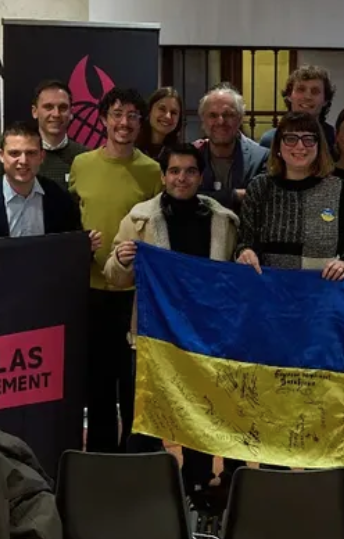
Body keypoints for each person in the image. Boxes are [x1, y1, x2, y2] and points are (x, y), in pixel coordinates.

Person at [103, 143, 239, 498]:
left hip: (203, 338)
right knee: (145, 418)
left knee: (199, 415)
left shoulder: (222, 222)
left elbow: (232, 279)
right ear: (163, 176)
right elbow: (114, 277)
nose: (182, 178)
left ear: (201, 176)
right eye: (174, 171)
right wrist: (122, 259)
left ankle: (197, 484)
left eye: (190, 171)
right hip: (154, 336)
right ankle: (142, 489)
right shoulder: (139, 219)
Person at [69, 87, 163, 452]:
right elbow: (71, 219)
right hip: (91, 290)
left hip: (135, 295)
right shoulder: (81, 165)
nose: (124, 123)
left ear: (141, 123)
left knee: (134, 382)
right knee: (99, 384)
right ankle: (101, 456)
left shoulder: (151, 170)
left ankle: (134, 457)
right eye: (117, 114)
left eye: (132, 116)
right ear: (103, 119)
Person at [235, 110, 344, 277]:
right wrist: (245, 252)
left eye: (309, 139)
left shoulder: (338, 188)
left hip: (322, 288)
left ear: (319, 146)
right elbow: (244, 241)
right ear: (278, 146)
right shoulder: (259, 187)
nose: (300, 146)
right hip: (269, 288)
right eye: (291, 139)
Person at [0, 121, 100, 250]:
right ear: (1, 155)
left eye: (31, 153)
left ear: (42, 156)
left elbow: (68, 251)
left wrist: (83, 247)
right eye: (14, 153)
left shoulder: (60, 199)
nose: (23, 161)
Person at [196, 83, 269, 213]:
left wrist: (203, 196)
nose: (220, 121)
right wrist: (235, 196)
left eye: (228, 115)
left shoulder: (261, 158)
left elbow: (262, 200)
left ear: (240, 119)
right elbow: (183, 199)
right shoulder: (191, 156)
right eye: (213, 115)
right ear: (203, 120)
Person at [258, 65, 339, 159]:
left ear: (325, 100)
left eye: (315, 91)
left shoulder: (335, 139)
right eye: (301, 90)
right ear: (289, 96)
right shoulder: (270, 140)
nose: (307, 97)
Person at [31, 80, 81, 185]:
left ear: (71, 112)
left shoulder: (85, 157)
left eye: (63, 107)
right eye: (48, 107)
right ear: (35, 112)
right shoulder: (17, 159)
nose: (56, 114)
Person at [136, 87, 183, 160]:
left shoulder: (181, 155)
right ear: (149, 110)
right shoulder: (129, 147)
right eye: (162, 109)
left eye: (173, 112)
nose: (168, 116)